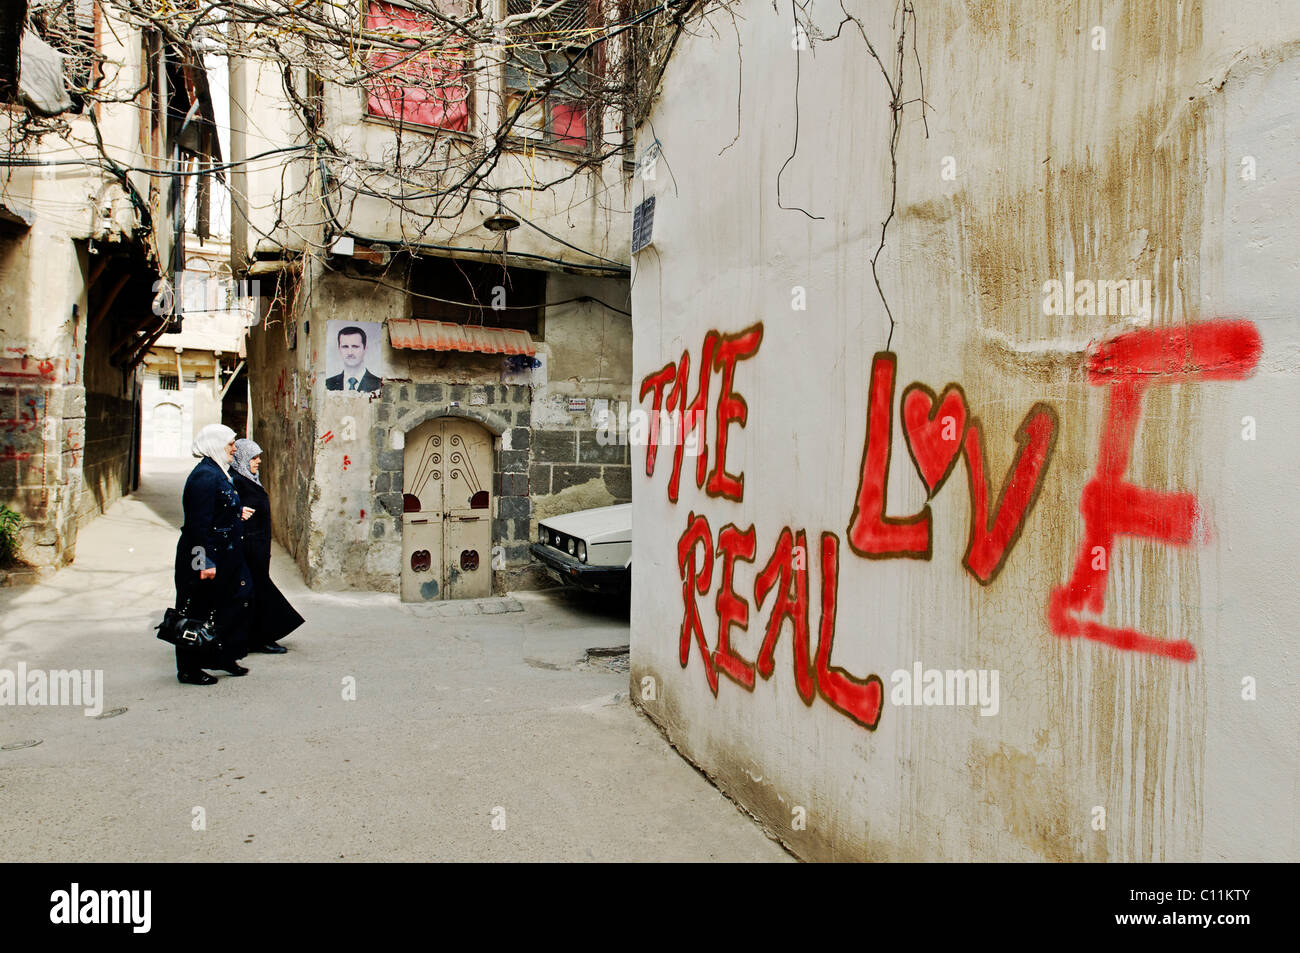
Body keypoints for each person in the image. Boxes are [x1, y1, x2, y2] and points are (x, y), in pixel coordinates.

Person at [173, 423, 255, 684]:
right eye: (230, 444)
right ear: (215, 445)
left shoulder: (219, 472)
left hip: (226, 555)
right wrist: (203, 563)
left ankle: (220, 654)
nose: (234, 449)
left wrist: (234, 513)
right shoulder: (204, 477)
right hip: (206, 558)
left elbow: (216, 508)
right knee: (195, 611)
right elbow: (197, 526)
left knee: (233, 602)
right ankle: (188, 669)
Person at [230, 438, 304, 652]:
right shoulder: (237, 481)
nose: (259, 461)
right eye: (254, 457)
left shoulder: (249, 478)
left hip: (258, 546)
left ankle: (252, 636)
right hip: (249, 547)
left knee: (255, 592)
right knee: (259, 591)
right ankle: (263, 636)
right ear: (242, 458)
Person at [325, 325, 381, 392]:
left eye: (355, 346)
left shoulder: (379, 385)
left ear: (365, 349)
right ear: (339, 349)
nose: (350, 353)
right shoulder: (327, 384)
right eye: (345, 347)